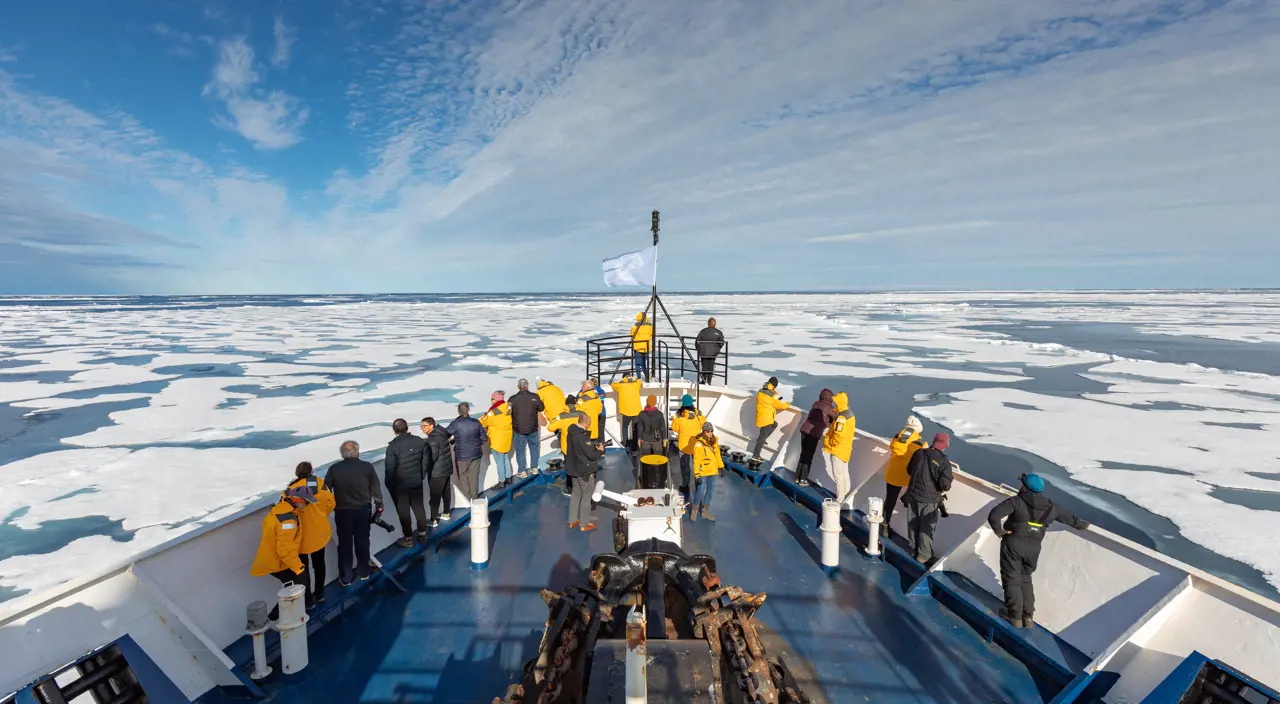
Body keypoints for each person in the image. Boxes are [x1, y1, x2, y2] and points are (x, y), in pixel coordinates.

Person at [987, 473, 1090, 628]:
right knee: (1026, 579)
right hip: (1033, 548)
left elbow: (994, 515)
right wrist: (1082, 525)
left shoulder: (1016, 501)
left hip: (1013, 544)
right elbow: (1070, 519)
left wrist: (1000, 532)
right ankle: (1028, 617)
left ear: (1024, 487)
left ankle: (1014, 616)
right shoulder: (1051, 507)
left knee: (1012, 579)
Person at [325, 440, 384, 586]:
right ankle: (364, 571)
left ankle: (346, 577)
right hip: (362, 511)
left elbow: (325, 491)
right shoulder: (367, 467)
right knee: (362, 541)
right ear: (357, 452)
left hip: (343, 512)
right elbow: (376, 489)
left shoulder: (334, 469)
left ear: (342, 454)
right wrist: (379, 506)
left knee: (344, 544)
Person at [251, 483, 315, 616]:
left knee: (292, 585)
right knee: (299, 584)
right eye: (306, 502)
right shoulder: (288, 522)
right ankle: (278, 615)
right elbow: (285, 550)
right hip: (278, 561)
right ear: (298, 501)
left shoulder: (279, 508)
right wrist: (299, 568)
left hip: (272, 557)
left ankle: (293, 611)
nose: (307, 505)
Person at [287, 462, 335, 605]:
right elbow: (331, 503)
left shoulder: (291, 489)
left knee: (303, 569)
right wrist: (321, 515)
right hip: (319, 533)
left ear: (297, 473)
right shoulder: (320, 483)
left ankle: (308, 600)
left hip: (300, 536)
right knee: (319, 565)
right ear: (311, 471)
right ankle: (319, 593)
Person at [904, 432, 954, 565]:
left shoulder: (919, 453)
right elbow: (945, 485)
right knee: (926, 527)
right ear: (945, 445)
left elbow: (909, 470)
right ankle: (923, 555)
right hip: (929, 499)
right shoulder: (944, 462)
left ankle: (913, 548)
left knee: (912, 523)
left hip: (913, 494)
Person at [384, 418, 428, 547]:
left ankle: (408, 538)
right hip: (416, 482)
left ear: (394, 431)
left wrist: (389, 485)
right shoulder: (419, 441)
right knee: (419, 507)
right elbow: (425, 461)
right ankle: (422, 533)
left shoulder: (392, 447)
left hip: (400, 486)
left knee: (404, 512)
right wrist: (421, 476)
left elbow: (390, 469)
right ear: (407, 428)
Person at [884, 416, 927, 527]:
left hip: (892, 473)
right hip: (908, 477)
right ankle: (909, 530)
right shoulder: (920, 443)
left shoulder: (897, 437)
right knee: (911, 503)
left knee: (890, 501)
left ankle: (884, 525)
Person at [566, 413, 604, 531]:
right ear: (587, 424)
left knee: (576, 495)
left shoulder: (571, 433)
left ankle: (572, 521)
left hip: (573, 469)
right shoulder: (582, 437)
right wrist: (600, 451)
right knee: (586, 497)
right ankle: (584, 524)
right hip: (583, 471)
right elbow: (591, 456)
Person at [821, 392, 856, 507]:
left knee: (838, 475)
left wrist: (831, 442)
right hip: (846, 448)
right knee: (844, 472)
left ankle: (840, 499)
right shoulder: (849, 414)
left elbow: (838, 434)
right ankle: (846, 494)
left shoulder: (841, 418)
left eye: (836, 402)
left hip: (838, 450)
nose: (834, 404)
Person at [796, 389, 836, 487]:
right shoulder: (829, 408)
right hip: (813, 433)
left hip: (804, 430)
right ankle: (803, 480)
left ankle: (797, 477)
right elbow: (836, 418)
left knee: (803, 454)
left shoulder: (816, 404)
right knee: (808, 457)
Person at [447, 402, 487, 501]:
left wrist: (454, 440)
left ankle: (467, 498)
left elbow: (445, 435)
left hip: (462, 455)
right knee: (474, 476)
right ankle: (474, 497)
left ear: (458, 411)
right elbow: (484, 438)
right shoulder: (476, 422)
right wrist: (476, 445)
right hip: (476, 453)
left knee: (463, 476)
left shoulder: (455, 424)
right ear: (468, 410)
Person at [687, 422, 725, 522]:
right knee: (700, 490)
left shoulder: (714, 441)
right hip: (703, 471)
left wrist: (721, 466)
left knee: (710, 491)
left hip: (712, 470)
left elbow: (717, 454)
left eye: (711, 431)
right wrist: (697, 474)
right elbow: (696, 460)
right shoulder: (698, 444)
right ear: (703, 432)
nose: (710, 433)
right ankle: (694, 510)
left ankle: (705, 511)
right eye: (708, 431)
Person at [670, 394, 706, 495]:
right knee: (697, 465)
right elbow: (703, 424)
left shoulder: (679, 415)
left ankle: (685, 486)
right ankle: (698, 485)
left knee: (685, 467)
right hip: (696, 444)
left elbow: (675, 428)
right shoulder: (699, 413)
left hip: (684, 446)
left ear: (683, 403)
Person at [421, 417, 454, 525]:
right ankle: (446, 512)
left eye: (424, 426)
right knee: (446, 492)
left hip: (437, 472)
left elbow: (432, 457)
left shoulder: (432, 440)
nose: (422, 428)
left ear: (431, 426)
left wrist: (424, 470)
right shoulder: (442, 433)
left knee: (434, 497)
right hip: (446, 468)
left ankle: (433, 519)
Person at [509, 378, 545, 477]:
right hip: (532, 428)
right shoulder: (535, 397)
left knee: (520, 450)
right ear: (527, 386)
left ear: (518, 386)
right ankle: (534, 468)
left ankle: (522, 470)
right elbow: (542, 408)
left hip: (519, 429)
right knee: (534, 448)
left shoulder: (512, 399)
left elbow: (508, 412)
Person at [547, 395, 580, 496]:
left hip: (568, 447)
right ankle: (582, 487)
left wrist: (555, 418)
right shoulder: (582, 413)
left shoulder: (562, 416)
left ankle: (570, 489)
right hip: (580, 445)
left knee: (569, 468)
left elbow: (550, 427)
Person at [752, 376, 790, 460]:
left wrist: (775, 399)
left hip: (761, 415)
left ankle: (762, 438)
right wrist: (787, 404)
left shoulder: (761, 391)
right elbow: (779, 405)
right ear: (775, 385)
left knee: (774, 424)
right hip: (767, 418)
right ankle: (755, 455)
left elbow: (768, 401)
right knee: (762, 438)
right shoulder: (773, 395)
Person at [481, 398, 515, 488]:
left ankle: (501, 481)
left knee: (499, 462)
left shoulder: (494, 412)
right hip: (506, 440)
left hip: (497, 441)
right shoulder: (508, 410)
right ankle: (508, 477)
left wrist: (485, 415)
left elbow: (482, 420)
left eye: (492, 399)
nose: (491, 400)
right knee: (506, 458)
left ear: (495, 400)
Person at [612, 372, 643, 453]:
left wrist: (621, 381)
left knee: (625, 428)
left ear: (623, 377)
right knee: (635, 429)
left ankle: (626, 446)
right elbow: (640, 381)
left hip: (626, 411)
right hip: (636, 411)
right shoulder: (636, 383)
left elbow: (613, 385)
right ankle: (635, 448)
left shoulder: (620, 385)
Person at [695, 317, 725, 384]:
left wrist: (698, 349)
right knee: (710, 367)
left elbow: (697, 341)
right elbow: (721, 342)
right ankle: (709, 381)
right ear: (715, 324)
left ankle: (703, 380)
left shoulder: (703, 331)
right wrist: (717, 349)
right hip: (713, 353)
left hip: (703, 352)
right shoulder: (719, 332)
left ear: (708, 324)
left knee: (704, 366)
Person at [630, 312, 653, 380]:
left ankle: (639, 377)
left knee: (637, 363)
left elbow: (632, 333)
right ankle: (646, 376)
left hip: (638, 347)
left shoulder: (636, 325)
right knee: (644, 363)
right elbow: (652, 333)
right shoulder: (650, 325)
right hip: (646, 347)